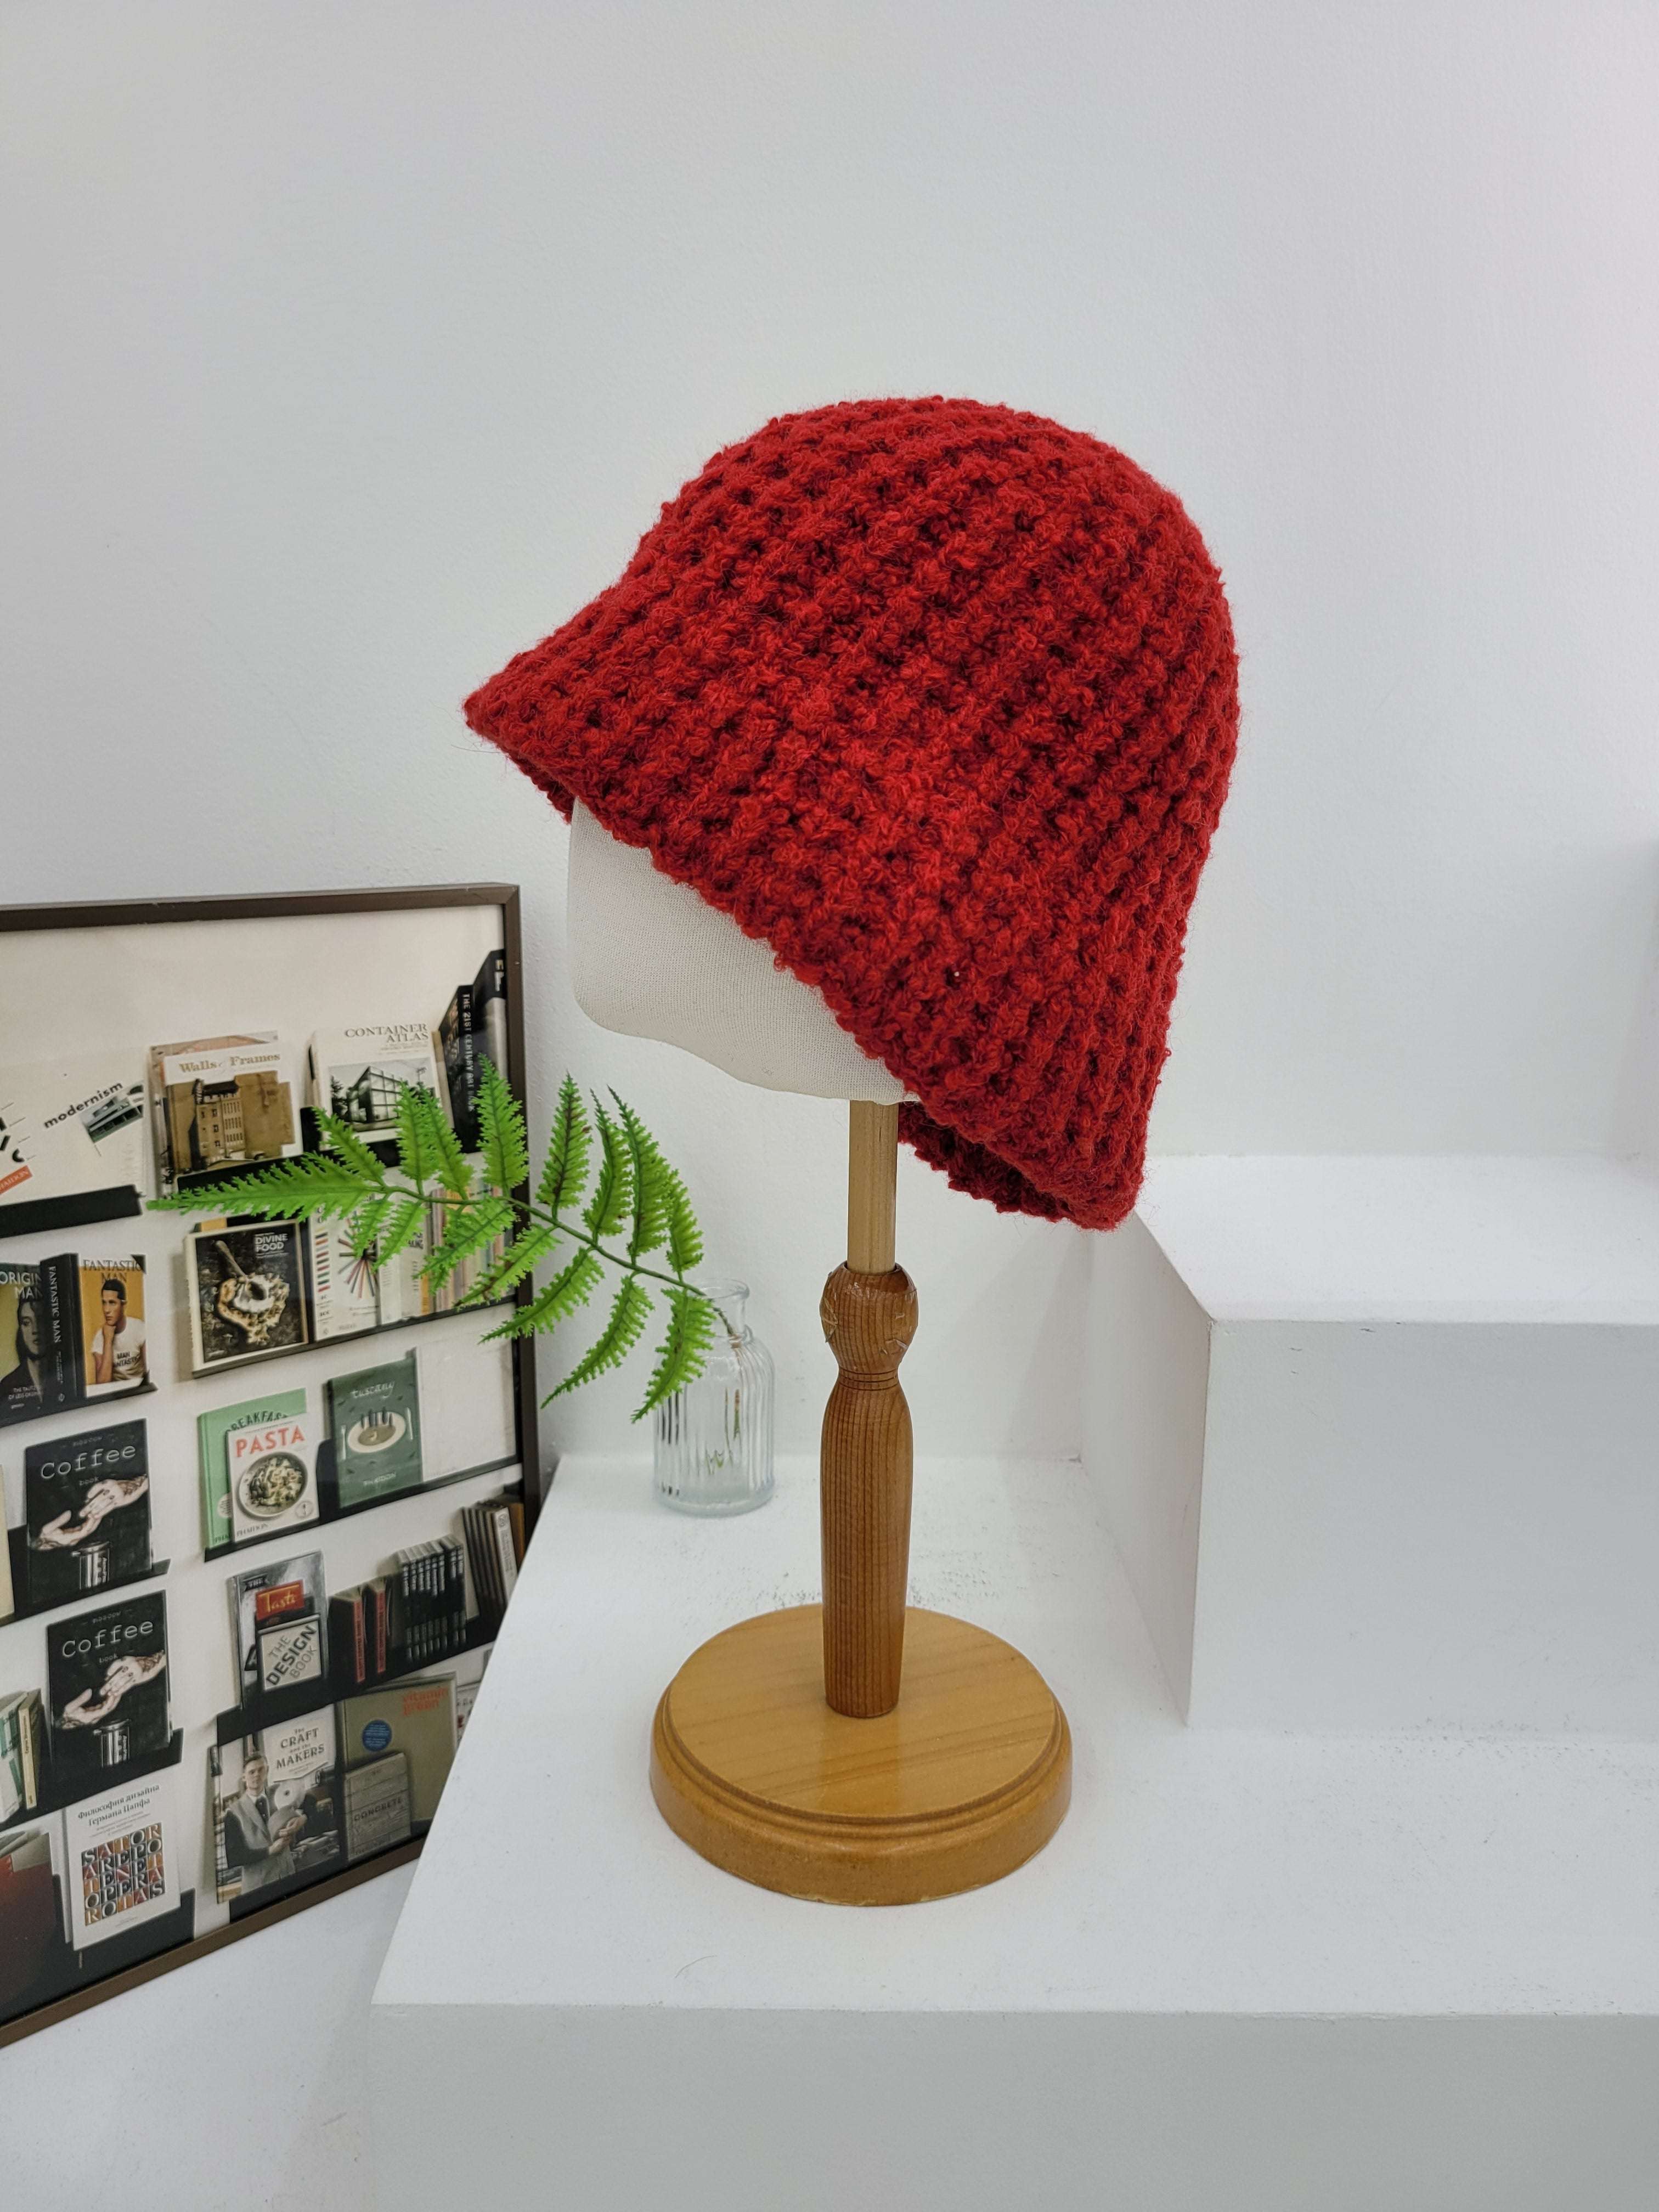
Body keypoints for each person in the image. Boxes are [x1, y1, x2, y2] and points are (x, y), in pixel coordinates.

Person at [222, 1754, 306, 1893]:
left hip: (288, 1876)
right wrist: (270, 1851)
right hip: (259, 1888)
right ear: (244, 1777)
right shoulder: (233, 1813)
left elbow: (308, 1802)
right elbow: (234, 1857)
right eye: (252, 1772)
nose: (257, 1775)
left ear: (267, 1771)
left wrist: (301, 1820)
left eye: (261, 1770)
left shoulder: (279, 1794)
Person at [88, 1277, 145, 1391]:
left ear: (124, 1305)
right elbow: (102, 1385)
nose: (107, 1310)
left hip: (140, 1389)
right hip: (117, 1393)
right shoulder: (100, 1337)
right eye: (104, 1303)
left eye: (112, 1303)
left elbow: (153, 1372)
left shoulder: (139, 1328)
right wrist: (108, 1340)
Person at [0, 1289, 43, 1418]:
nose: (35, 1330)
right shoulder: (7, 1386)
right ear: (21, 1330)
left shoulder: (66, 1375)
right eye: (27, 1323)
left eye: (40, 1320)